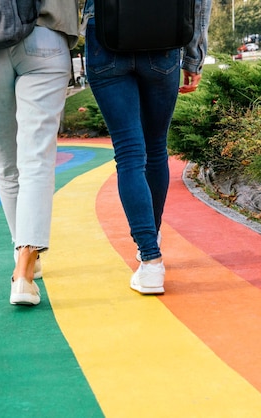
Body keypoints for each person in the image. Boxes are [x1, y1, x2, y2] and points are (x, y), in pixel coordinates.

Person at [82, 0, 212, 294]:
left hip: (106, 32)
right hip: (163, 33)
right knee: (155, 148)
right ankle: (149, 246)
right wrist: (194, 57)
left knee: (129, 153)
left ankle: (151, 259)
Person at [0, 0, 80, 306]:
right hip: (46, 34)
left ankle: (24, 259)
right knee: (37, 159)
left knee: (7, 164)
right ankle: (25, 268)